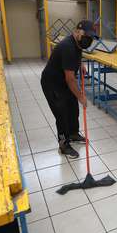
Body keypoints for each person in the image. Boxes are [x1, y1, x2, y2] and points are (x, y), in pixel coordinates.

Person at [41, 20, 96, 158]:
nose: (88, 40)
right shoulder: (68, 47)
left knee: (72, 108)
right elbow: (70, 79)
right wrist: (81, 97)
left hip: (63, 81)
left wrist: (80, 64)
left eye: (91, 38)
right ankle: (64, 144)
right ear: (77, 32)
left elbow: (78, 53)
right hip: (52, 83)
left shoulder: (76, 42)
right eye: (86, 36)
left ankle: (73, 133)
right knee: (62, 113)